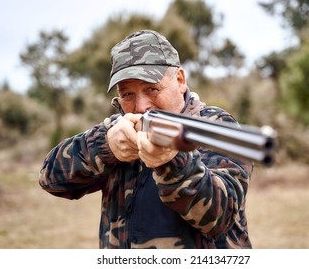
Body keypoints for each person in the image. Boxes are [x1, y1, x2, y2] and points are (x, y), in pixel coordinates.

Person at [39, 29, 253, 249]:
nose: (141, 106)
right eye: (127, 94)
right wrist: (105, 146)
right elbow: (50, 179)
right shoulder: (118, 129)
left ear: (179, 80)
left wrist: (173, 161)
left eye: (152, 88)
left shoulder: (216, 126)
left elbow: (220, 217)